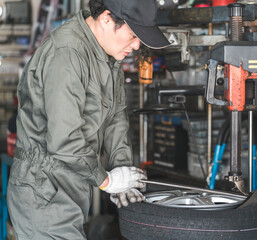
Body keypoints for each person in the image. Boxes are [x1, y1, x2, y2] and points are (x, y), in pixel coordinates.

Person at [7, 0, 170, 239]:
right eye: (133, 35)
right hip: (43, 191)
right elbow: (64, 139)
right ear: (106, 19)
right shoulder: (67, 55)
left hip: (72, 185)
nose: (136, 46)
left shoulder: (107, 53)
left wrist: (121, 168)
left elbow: (115, 116)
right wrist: (106, 181)